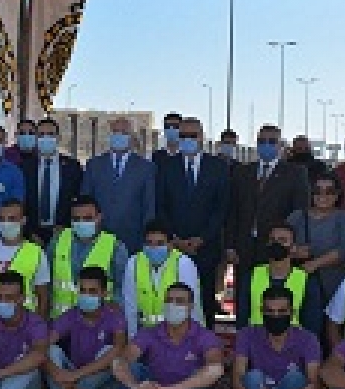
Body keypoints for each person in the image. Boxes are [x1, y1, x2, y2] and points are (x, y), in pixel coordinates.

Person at [25, 266, 128, 389]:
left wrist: (74, 376)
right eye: (82, 290)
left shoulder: (115, 316)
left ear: (104, 293)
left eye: (92, 291)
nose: (86, 296)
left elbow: (119, 349)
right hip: (69, 385)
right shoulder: (72, 315)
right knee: (51, 351)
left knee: (112, 354)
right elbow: (42, 347)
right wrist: (58, 374)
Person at [226, 124, 310, 315]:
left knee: (274, 297)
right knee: (244, 296)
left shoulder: (295, 173)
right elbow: (233, 211)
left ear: (281, 145)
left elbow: (299, 213)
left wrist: (293, 245)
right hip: (244, 247)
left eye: (272, 141)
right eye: (262, 141)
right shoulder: (242, 172)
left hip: (276, 247)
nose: (266, 145)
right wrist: (230, 245)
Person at [157, 117, 229, 328]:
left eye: (192, 135)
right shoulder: (166, 166)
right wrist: (175, 239)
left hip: (206, 248)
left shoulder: (217, 167)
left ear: (202, 137)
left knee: (205, 301)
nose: (187, 140)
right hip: (174, 248)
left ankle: (205, 343)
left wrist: (202, 238)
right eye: (183, 136)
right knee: (173, 300)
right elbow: (161, 206)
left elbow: (221, 208)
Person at [82, 116, 156, 254]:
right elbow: (85, 200)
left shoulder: (146, 168)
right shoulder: (94, 165)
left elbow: (149, 207)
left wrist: (147, 239)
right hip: (98, 237)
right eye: (115, 132)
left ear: (131, 137)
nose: (119, 136)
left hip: (133, 239)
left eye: (124, 132)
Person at [286, 170, 345, 304]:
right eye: (317, 191)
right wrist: (293, 251)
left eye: (329, 191)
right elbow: (280, 242)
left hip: (333, 289)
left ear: (337, 194)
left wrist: (315, 263)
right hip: (299, 285)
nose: (323, 195)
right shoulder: (296, 217)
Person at [48, 195, 129, 318]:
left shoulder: (116, 247)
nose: (82, 223)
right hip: (60, 321)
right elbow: (46, 283)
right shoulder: (57, 241)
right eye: (76, 219)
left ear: (99, 217)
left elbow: (122, 290)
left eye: (87, 218)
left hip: (99, 323)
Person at [235, 223, 322, 333]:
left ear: (294, 248)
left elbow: (312, 325)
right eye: (273, 240)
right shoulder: (251, 276)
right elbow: (241, 319)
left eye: (282, 240)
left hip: (294, 341)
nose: (276, 244)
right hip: (255, 339)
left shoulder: (307, 281)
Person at [122, 219, 204, 336]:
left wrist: (194, 340)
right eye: (149, 243)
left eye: (160, 243)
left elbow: (193, 307)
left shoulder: (183, 264)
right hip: (146, 333)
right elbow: (130, 307)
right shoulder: (133, 263)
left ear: (170, 244)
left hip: (178, 334)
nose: (153, 247)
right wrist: (133, 339)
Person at [0, 199, 49, 318]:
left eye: (11, 219)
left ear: (23, 221)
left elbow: (43, 297)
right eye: (2, 219)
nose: (6, 223)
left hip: (25, 323)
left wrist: (39, 324)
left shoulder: (37, 253)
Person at [21, 118, 84, 247]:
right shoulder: (25, 167)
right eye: (41, 135)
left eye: (50, 134)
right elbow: (21, 202)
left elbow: (79, 200)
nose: (46, 138)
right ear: (36, 138)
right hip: (32, 235)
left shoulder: (72, 167)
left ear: (58, 138)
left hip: (64, 233)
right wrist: (30, 232)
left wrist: (66, 227)